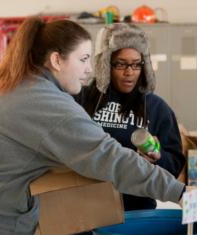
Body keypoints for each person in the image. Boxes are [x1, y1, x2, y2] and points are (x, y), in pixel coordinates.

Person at [0, 17, 197, 234]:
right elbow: (111, 157)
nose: (89, 69)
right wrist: (181, 193)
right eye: (83, 59)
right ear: (56, 60)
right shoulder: (47, 104)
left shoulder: (15, 85)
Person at [76, 23, 185, 211]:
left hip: (137, 210)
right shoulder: (83, 99)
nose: (129, 72)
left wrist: (158, 158)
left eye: (136, 64)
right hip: (87, 209)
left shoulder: (156, 108)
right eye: (121, 64)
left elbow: (174, 166)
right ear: (106, 64)